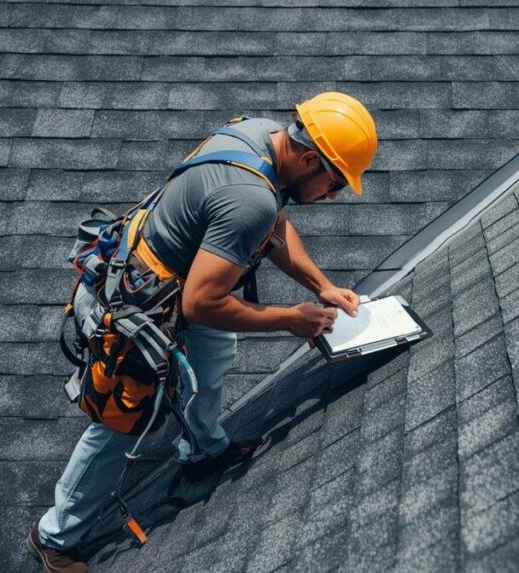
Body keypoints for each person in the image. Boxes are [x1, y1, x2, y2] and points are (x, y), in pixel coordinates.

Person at [26, 92, 378, 573]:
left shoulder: (260, 135)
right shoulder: (248, 197)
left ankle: (202, 447)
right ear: (310, 158)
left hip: (177, 279)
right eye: (334, 183)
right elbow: (202, 302)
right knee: (120, 420)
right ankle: (54, 536)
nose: (333, 195)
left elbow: (275, 226)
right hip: (144, 306)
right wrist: (293, 319)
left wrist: (323, 286)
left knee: (213, 355)